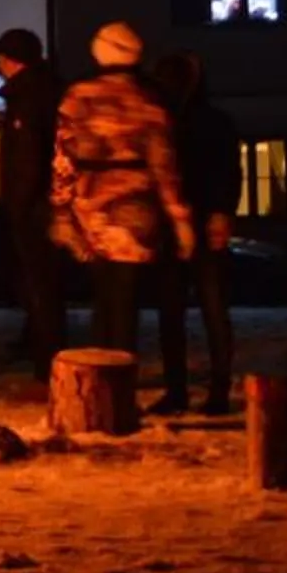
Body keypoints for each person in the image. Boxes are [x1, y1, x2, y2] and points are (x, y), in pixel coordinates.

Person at [49, 21, 194, 370]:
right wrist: (180, 218)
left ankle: (102, 372)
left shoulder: (77, 96)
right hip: (137, 211)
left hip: (90, 207)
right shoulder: (147, 99)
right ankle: (119, 371)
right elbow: (164, 165)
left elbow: (62, 160)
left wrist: (61, 212)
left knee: (103, 295)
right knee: (125, 298)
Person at [150, 49, 243, 415]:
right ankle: (194, 390)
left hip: (188, 223)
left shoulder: (178, 121)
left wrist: (221, 212)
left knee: (193, 310)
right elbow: (230, 171)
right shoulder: (185, 120)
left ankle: (198, 390)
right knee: (196, 310)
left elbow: (228, 171)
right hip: (183, 223)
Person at [0, 27, 64, 383]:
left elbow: (28, 159)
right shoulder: (46, 91)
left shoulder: (27, 99)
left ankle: (47, 365)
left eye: (1, 58)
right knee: (43, 284)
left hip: (33, 209)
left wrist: (16, 205)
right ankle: (40, 349)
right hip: (43, 204)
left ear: (13, 61)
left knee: (40, 284)